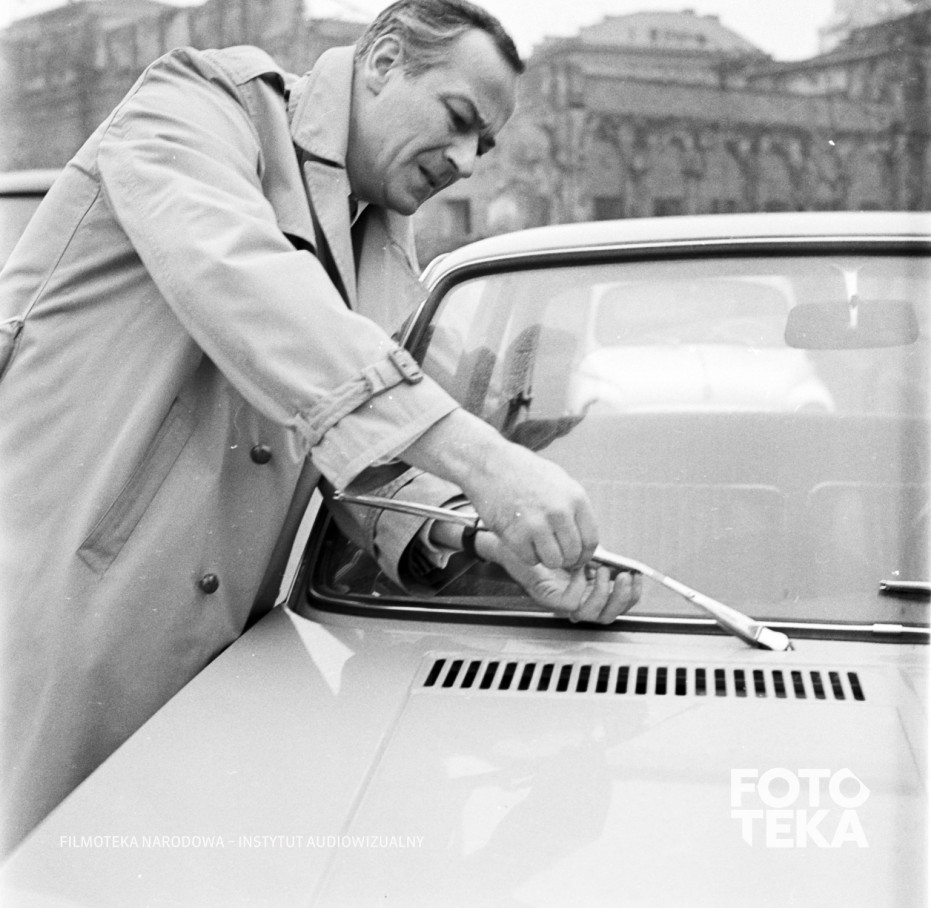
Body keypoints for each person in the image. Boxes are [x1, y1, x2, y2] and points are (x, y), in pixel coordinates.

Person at [0, 0, 637, 854]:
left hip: (221, 665)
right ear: (383, 60)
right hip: (52, 631)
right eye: (457, 119)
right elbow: (245, 283)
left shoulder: (386, 256)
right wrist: (487, 460)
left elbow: (366, 464)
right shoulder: (195, 104)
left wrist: (490, 542)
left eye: (484, 147)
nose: (464, 163)